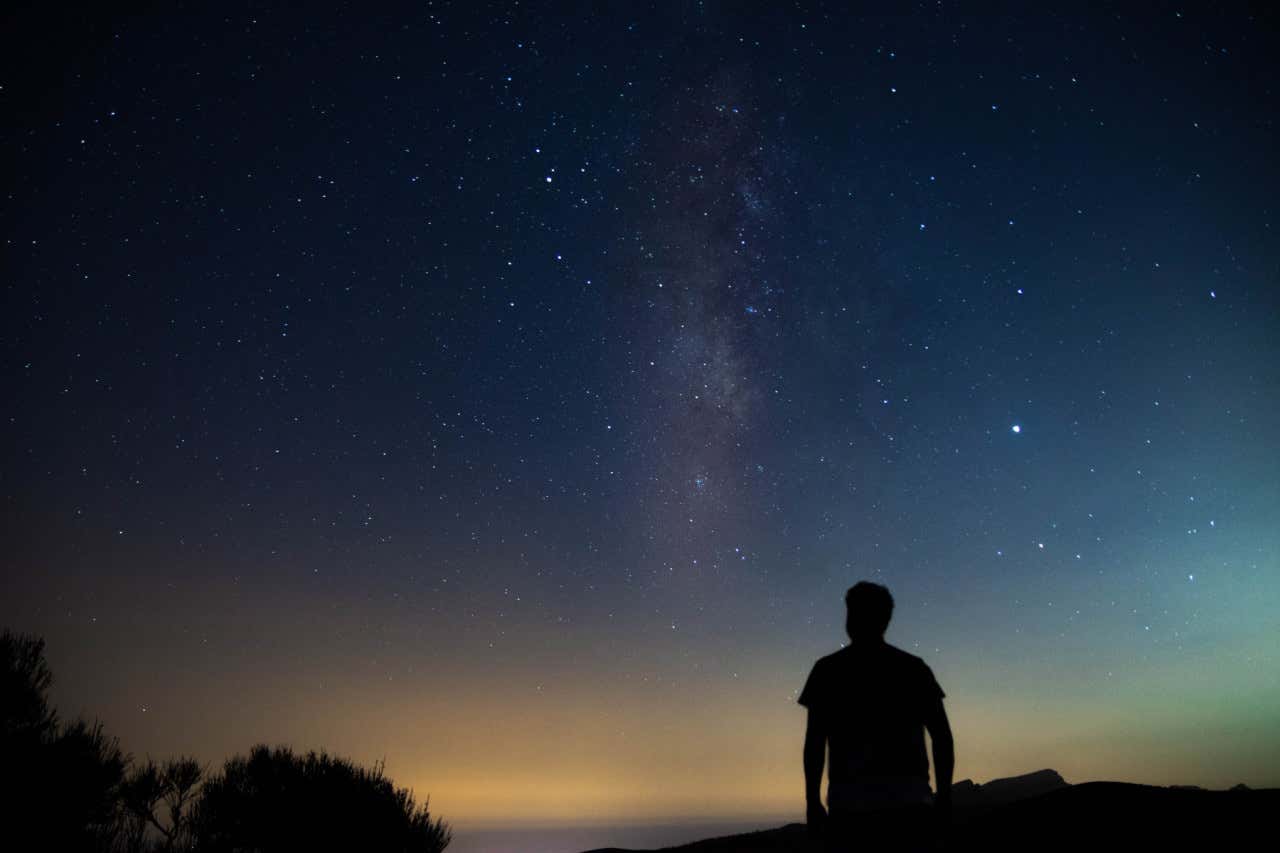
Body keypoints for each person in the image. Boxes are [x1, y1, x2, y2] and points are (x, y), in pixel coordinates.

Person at [799, 581, 954, 852]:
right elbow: (941, 737)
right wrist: (944, 798)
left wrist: (812, 801)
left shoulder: (828, 671)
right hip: (910, 805)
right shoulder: (914, 669)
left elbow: (815, 742)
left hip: (850, 808)